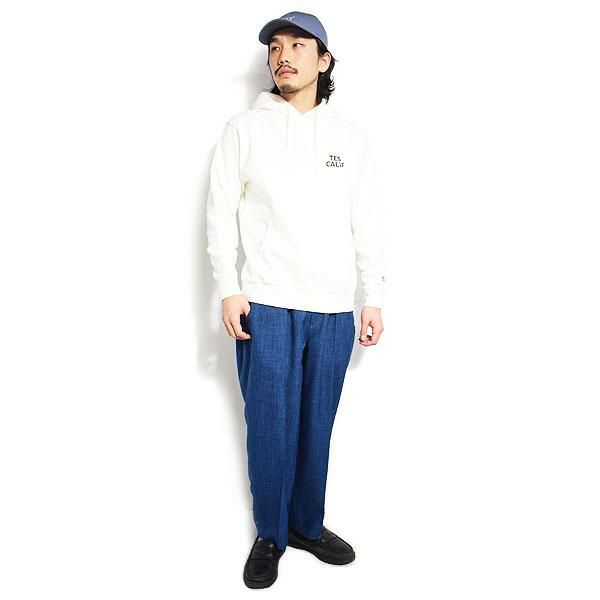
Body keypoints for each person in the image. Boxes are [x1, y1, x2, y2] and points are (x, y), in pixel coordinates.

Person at [206, 11, 386, 589]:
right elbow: (220, 213)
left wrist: (372, 296)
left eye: (299, 45)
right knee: (269, 424)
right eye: (275, 47)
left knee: (316, 424)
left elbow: (366, 222)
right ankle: (270, 534)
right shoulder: (244, 130)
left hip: (333, 308)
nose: (283, 56)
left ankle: (307, 525)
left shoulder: (349, 139)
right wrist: (229, 288)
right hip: (265, 301)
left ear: (323, 60)